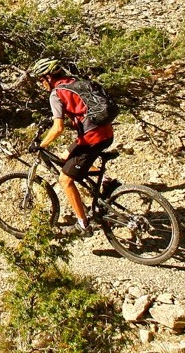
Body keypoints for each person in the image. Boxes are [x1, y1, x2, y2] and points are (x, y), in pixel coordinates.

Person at [30, 57, 114, 236]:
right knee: (65, 156)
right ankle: (106, 183)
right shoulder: (75, 82)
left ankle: (83, 225)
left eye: (40, 79)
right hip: (106, 132)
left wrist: (41, 145)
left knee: (65, 180)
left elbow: (58, 128)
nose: (41, 84)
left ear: (48, 77)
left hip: (92, 138)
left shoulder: (56, 93)